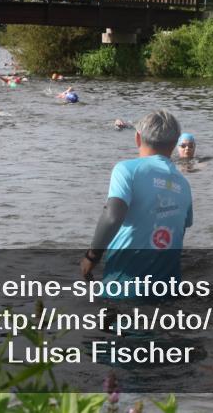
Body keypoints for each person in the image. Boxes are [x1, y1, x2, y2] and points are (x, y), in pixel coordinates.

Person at [80, 110, 194, 292]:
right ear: (174, 144)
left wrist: (92, 256)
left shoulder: (126, 170)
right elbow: (179, 231)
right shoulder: (184, 184)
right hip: (169, 288)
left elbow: (112, 216)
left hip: (124, 285)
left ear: (137, 138)